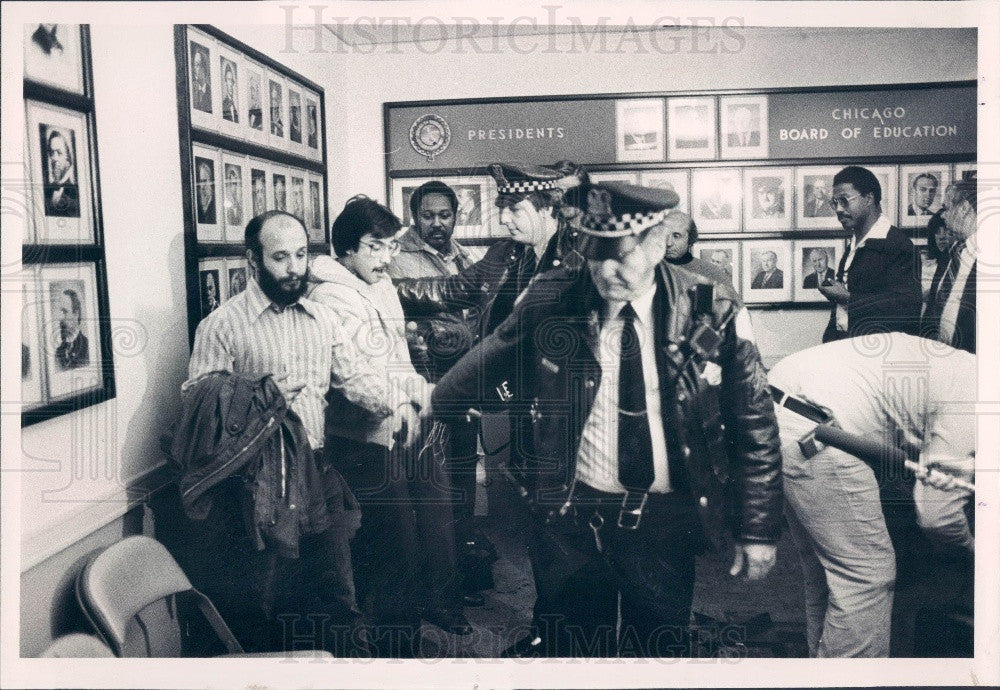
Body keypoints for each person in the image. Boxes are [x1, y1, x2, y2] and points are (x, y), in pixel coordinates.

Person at [433, 182, 783, 657]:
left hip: (664, 517)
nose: (608, 273)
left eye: (622, 256)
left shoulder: (709, 304)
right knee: (575, 652)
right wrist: (448, 403)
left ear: (658, 242)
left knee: (658, 653)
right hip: (573, 518)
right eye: (596, 257)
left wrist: (758, 529)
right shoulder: (554, 297)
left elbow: (754, 420)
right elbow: (479, 367)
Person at [309, 196, 472, 655]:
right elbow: (355, 377)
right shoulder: (329, 295)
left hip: (398, 430)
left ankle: (404, 635)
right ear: (346, 248)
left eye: (390, 248)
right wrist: (408, 402)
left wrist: (426, 399)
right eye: (374, 247)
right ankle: (394, 652)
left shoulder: (376, 285)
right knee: (391, 547)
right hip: (359, 441)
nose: (386, 259)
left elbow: (398, 361)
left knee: (415, 536)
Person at [769, 333, 975, 657]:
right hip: (818, 429)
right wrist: (972, 553)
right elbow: (936, 513)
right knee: (866, 575)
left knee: (829, 571)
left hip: (780, 406)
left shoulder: (967, 369)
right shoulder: (979, 400)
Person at [387, 180, 489, 604]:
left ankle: (461, 574)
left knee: (463, 482)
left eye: (444, 215)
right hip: (425, 387)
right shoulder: (396, 260)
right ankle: (438, 587)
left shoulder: (466, 256)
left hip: (465, 386)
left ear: (456, 216)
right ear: (414, 217)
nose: (436, 224)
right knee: (434, 488)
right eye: (427, 216)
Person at [819, 166, 921, 342]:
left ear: (868, 198)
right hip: (847, 351)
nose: (838, 210)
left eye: (844, 200)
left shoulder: (898, 244)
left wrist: (849, 298)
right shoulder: (854, 244)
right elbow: (840, 315)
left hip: (879, 356)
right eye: (834, 203)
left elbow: (907, 309)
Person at [922, 180, 977, 354]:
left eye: (946, 208)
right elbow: (934, 302)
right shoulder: (953, 251)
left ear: (964, 208)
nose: (943, 216)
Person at [661, 211, 734, 288]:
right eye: (664, 235)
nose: (668, 243)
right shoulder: (649, 270)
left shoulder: (713, 272)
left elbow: (732, 299)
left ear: (690, 238)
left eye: (676, 236)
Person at [43, 128, 79, 217]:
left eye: (59, 153)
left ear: (68, 158)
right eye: (51, 153)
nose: (54, 158)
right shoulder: (47, 190)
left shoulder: (75, 192)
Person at [54, 288, 89, 370]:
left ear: (76, 314)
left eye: (65, 312)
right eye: (60, 312)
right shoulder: (58, 352)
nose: (60, 318)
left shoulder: (87, 348)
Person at [190, 46, 211, 113]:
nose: (194, 68)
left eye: (197, 64)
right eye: (194, 65)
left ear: (204, 67)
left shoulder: (211, 92)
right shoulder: (191, 89)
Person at [195, 159, 215, 224]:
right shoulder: (196, 202)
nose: (202, 186)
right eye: (200, 181)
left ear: (210, 181)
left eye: (204, 181)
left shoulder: (216, 201)